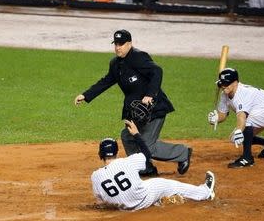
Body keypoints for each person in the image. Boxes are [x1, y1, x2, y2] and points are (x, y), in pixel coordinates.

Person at [74, 29, 192, 177]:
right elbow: (106, 81)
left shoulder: (138, 57)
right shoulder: (115, 64)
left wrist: (150, 94)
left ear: (129, 43)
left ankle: (183, 153)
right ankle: (144, 167)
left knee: (148, 145)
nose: (118, 47)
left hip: (154, 109)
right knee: (128, 136)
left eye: (121, 44)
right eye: (116, 44)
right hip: (135, 111)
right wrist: (85, 95)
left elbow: (157, 71)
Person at [90, 120, 215, 211]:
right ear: (116, 152)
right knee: (167, 184)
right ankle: (205, 192)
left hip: (123, 208)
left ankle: (158, 201)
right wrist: (137, 134)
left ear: (100, 154)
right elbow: (147, 154)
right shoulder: (128, 162)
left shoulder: (95, 176)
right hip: (144, 199)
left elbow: (100, 203)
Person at [208, 68, 264, 168]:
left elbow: (242, 117)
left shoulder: (242, 94)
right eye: (221, 84)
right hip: (259, 112)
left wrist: (239, 130)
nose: (223, 86)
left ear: (235, 82)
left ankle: (247, 158)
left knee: (244, 126)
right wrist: (216, 118)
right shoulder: (225, 94)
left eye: (226, 84)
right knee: (234, 138)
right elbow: (223, 114)